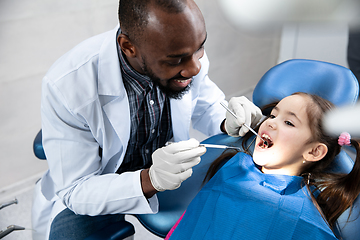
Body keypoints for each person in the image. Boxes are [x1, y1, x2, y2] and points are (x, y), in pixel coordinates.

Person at [31, 0, 262, 239]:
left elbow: (205, 105)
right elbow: (76, 189)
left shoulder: (184, 47)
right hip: (97, 184)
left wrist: (229, 119)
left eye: (200, 48)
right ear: (129, 47)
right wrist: (150, 179)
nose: (194, 68)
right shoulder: (68, 84)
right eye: (176, 60)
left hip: (167, 166)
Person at [166, 92, 360, 239]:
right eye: (273, 116)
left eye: (289, 123)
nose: (271, 123)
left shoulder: (303, 218)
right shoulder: (233, 167)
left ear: (313, 152)